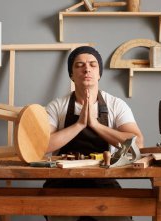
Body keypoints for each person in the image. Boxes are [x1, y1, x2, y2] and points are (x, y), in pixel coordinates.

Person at [44, 46, 144, 221]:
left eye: (92, 64)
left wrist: (96, 125)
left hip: (103, 179)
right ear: (71, 75)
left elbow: (137, 143)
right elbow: (43, 145)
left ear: (99, 74)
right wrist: (80, 124)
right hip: (62, 181)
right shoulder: (57, 106)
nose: (87, 69)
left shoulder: (116, 105)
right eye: (79, 65)